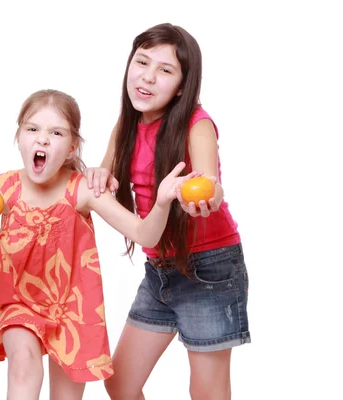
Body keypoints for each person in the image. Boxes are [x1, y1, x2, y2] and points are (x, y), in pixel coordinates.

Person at [0, 89, 199, 400]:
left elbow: (145, 235)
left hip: (72, 307)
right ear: (19, 137)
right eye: (33, 129)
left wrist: (162, 203)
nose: (42, 139)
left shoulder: (82, 189)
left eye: (55, 132)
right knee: (24, 363)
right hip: (17, 301)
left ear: (71, 148)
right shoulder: (3, 187)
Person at [85, 23, 251, 399]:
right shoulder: (125, 126)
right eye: (142, 62)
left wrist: (206, 197)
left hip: (210, 268)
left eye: (165, 70)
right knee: (121, 383)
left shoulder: (196, 122)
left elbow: (210, 181)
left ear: (181, 85)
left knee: (206, 393)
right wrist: (98, 174)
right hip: (159, 271)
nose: (147, 77)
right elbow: (105, 175)